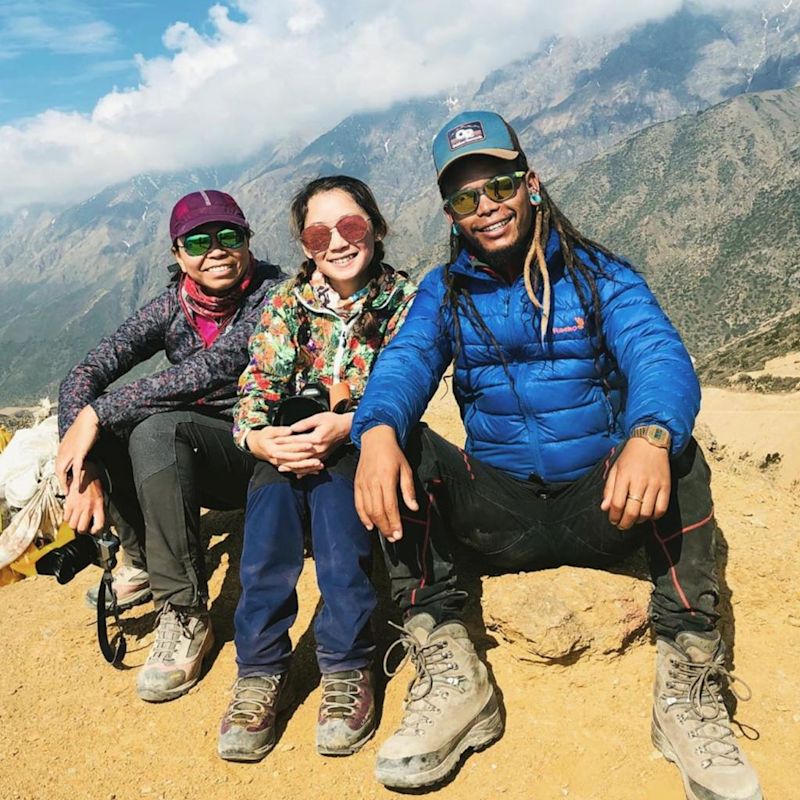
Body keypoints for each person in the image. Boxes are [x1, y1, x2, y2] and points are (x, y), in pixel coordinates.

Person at [351, 111, 763, 799]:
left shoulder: (599, 273)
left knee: (680, 453)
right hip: (499, 511)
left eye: (500, 185)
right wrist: (377, 431)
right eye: (464, 198)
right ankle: (448, 659)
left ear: (531, 184)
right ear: (450, 213)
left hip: (599, 506)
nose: (486, 208)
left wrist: (650, 434)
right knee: (402, 447)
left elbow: (657, 352)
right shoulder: (443, 292)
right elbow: (406, 361)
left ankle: (689, 677)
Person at [216, 176, 416, 762]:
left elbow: (411, 379)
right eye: (318, 232)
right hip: (291, 443)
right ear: (305, 245)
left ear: (376, 229)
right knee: (270, 499)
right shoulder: (287, 304)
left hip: (363, 441)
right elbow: (256, 386)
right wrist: (262, 440)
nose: (337, 242)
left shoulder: (406, 301)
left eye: (352, 226)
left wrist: (348, 421)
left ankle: (348, 663)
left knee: (336, 508)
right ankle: (259, 670)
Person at [55, 189, 283, 702]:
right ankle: (142, 561)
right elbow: (85, 372)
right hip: (189, 453)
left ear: (247, 241)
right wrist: (83, 462)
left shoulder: (274, 297)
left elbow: (212, 367)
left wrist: (98, 413)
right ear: (178, 254)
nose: (216, 250)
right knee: (113, 423)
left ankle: (184, 610)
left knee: (149, 424)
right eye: (199, 241)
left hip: (255, 454)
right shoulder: (172, 306)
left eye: (230, 236)